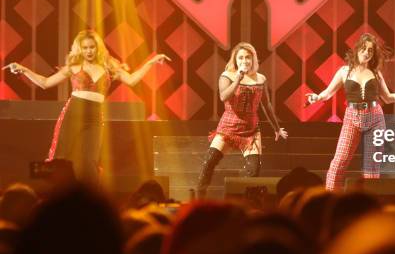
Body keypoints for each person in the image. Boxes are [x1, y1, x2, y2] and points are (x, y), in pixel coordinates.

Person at [4, 29, 170, 183]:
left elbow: (132, 80)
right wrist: (23, 70)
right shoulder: (74, 67)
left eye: (92, 47)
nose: (89, 51)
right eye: (85, 48)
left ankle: (89, 199)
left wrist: (151, 62)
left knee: (90, 160)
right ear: (80, 49)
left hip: (95, 116)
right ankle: (54, 197)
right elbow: (45, 83)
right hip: (74, 111)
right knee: (62, 155)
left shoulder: (109, 67)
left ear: (98, 48)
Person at [306, 33, 395, 191]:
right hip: (352, 117)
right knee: (338, 161)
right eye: (364, 49)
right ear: (357, 50)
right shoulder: (344, 71)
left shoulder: (376, 73)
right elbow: (327, 93)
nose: (366, 52)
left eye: (370, 50)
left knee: (371, 166)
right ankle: (329, 197)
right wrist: (316, 97)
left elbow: (389, 98)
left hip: (375, 118)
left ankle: (369, 202)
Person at [197, 42, 288, 198]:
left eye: (248, 57)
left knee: (253, 171)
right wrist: (238, 78)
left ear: (253, 60)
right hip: (228, 128)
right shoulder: (227, 76)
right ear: (235, 60)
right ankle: (198, 200)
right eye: (241, 58)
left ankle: (245, 205)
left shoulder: (261, 79)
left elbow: (266, 105)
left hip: (251, 131)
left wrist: (277, 128)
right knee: (208, 163)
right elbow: (223, 96)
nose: (244, 61)